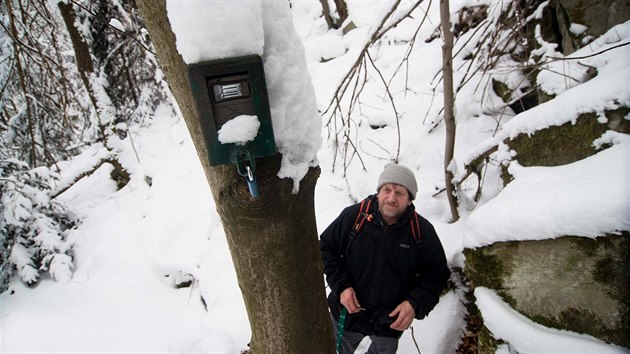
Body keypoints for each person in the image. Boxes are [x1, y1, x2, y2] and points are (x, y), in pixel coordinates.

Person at [320, 163, 450, 353]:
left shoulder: (421, 231)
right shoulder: (355, 217)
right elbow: (325, 248)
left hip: (390, 322)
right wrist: (342, 287)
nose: (391, 198)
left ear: (409, 199)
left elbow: (437, 275)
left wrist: (413, 304)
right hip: (348, 313)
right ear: (379, 192)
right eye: (387, 190)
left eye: (399, 193)